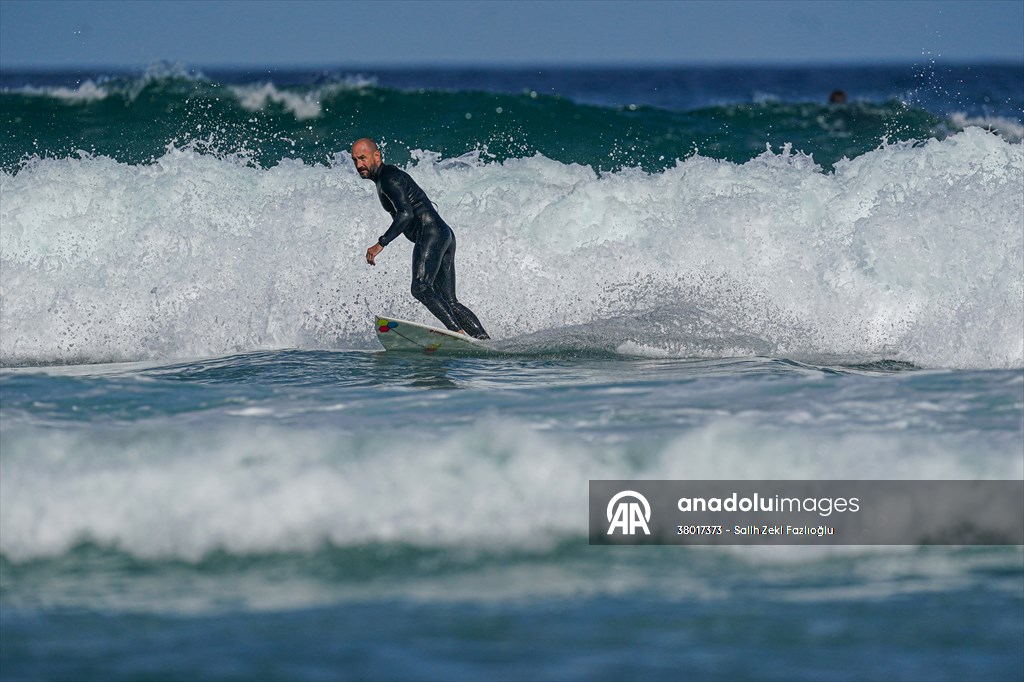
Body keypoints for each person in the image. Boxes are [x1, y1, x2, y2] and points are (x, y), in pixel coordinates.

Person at [352, 138, 490, 339]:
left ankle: (458, 334)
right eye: (355, 160)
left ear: (377, 156)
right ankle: (484, 341)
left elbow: (405, 213)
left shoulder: (388, 178)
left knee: (420, 287)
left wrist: (381, 243)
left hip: (430, 232)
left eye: (362, 158)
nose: (359, 165)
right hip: (443, 233)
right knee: (450, 301)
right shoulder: (388, 176)